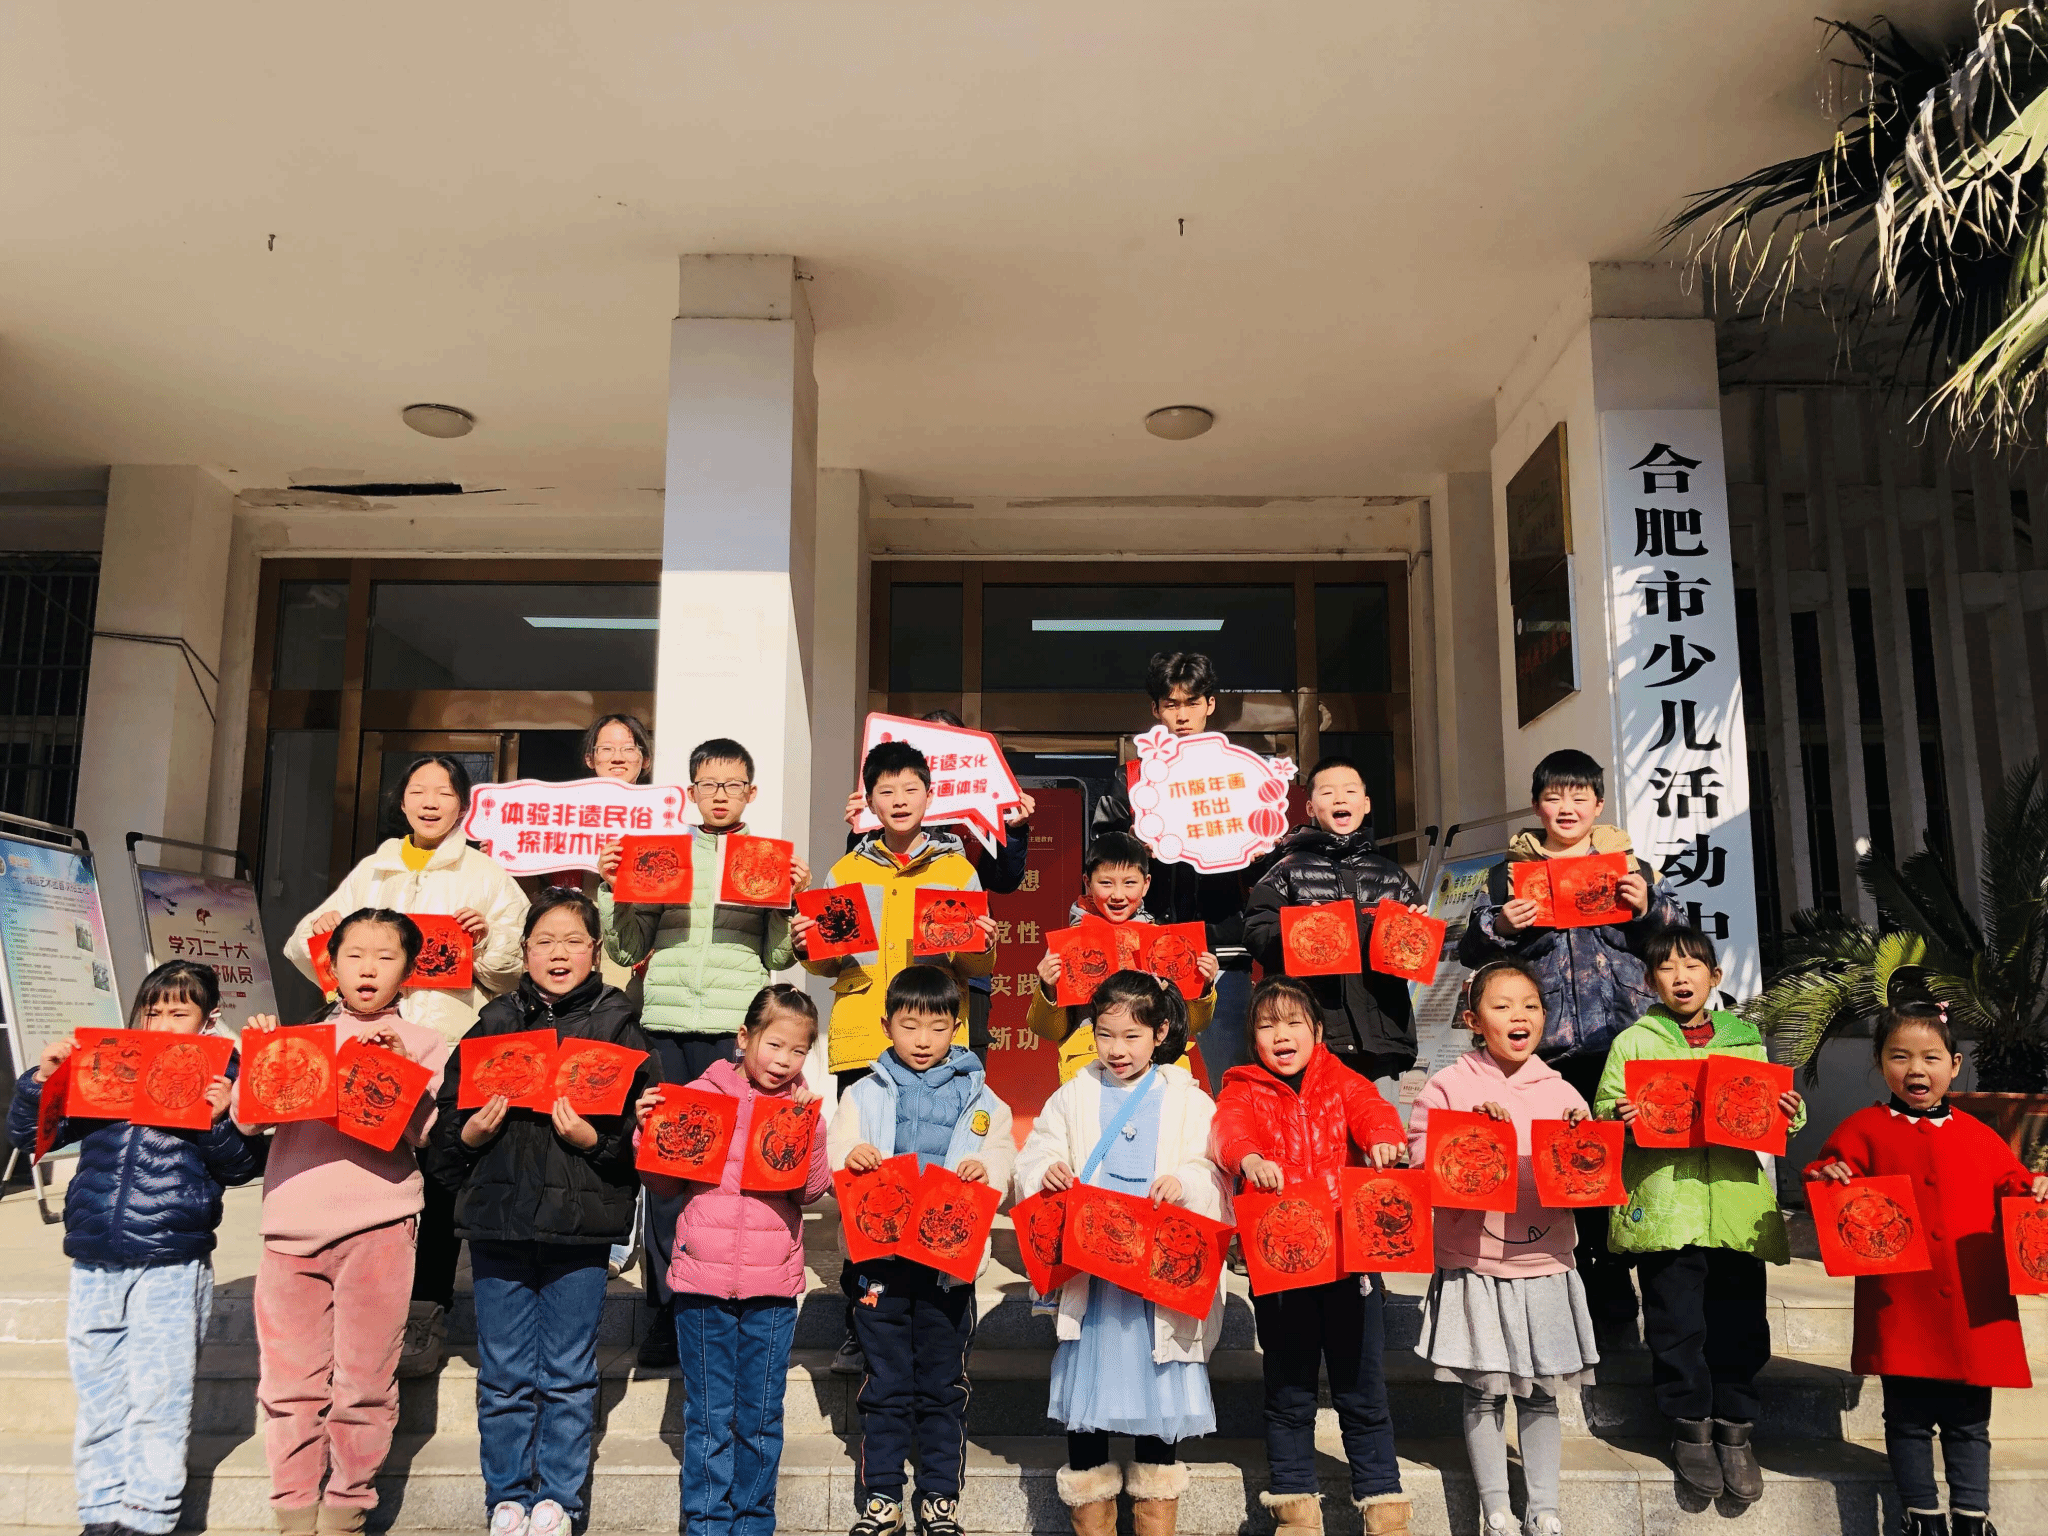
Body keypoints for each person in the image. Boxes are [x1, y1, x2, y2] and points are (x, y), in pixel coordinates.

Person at [283, 753, 529, 1376]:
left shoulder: (487, 876)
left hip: (444, 1041)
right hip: (367, 1043)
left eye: (443, 792)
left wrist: (486, 941)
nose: (429, 802)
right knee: (365, 1165)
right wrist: (331, 933)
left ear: (462, 804)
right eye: (418, 790)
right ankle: (356, 1300)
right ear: (401, 801)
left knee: (440, 1172)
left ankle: (426, 1307)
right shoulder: (374, 869)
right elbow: (311, 947)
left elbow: (513, 970)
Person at [428, 888, 657, 1536]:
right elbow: (444, 1135)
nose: (559, 954)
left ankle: (559, 1498)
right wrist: (469, 1135)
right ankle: (506, 1496)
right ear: (524, 951)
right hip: (498, 1221)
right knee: (502, 1372)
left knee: (568, 1372)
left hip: (580, 1231)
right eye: (545, 941)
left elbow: (650, 1138)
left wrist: (595, 1140)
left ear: (596, 951)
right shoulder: (494, 1020)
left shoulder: (619, 1025)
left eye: (573, 942)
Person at [6, 961, 259, 1536]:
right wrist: (43, 1080)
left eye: (179, 1012)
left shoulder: (227, 1072)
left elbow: (242, 1168)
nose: (163, 1023)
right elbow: (33, 1137)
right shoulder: (108, 1062)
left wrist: (220, 1119)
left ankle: (148, 1514)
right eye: (153, 1010)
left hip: (171, 1257)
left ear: (208, 1018)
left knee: (159, 1394)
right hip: (94, 1253)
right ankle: (100, 1512)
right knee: (99, 1390)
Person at [598, 735, 811, 1367]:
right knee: (669, 1169)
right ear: (691, 791)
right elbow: (625, 947)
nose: (720, 795)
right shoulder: (661, 853)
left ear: (751, 792)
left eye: (732, 785)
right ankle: (668, 1310)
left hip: (733, 1029)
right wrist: (613, 887)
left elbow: (777, 955)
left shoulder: (767, 858)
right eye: (709, 784)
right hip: (664, 1023)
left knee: (731, 1172)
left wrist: (791, 900)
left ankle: (726, 1301)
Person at [1455, 748, 1683, 1328]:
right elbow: (1468, 951)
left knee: (1632, 1176)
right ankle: (1597, 1309)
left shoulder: (1632, 868)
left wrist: (1649, 907)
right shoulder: (1508, 875)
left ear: (1598, 804)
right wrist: (1498, 924)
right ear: (1537, 806)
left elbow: (1679, 944)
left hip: (1626, 1046)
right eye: (1554, 796)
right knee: (1569, 1177)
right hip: (1549, 1055)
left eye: (1579, 796)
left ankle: (1647, 1305)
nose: (1567, 807)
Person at [241, 909, 451, 1536]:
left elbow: (427, 1137)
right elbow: (250, 1122)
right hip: (290, 1229)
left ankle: (346, 1509)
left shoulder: (426, 1044)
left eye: (386, 956)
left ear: (408, 972)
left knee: (364, 1384)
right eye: (354, 954)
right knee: (290, 1387)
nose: (368, 967)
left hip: (380, 1227)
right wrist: (262, 1056)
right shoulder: (297, 1040)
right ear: (330, 967)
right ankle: (292, 1511)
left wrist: (399, 1076)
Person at [1805, 996, 2046, 1536]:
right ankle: (1922, 1515)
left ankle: (1972, 1517)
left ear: (1954, 1065)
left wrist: (2034, 1188)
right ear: (1879, 1062)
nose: (1916, 1069)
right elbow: (1827, 1175)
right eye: (1900, 1056)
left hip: (1971, 1301)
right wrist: (1829, 1174)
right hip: (1903, 1302)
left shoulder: (1979, 1135)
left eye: (1931, 1057)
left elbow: (2014, 1187)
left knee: (1969, 1421)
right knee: (1907, 1418)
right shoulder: (1863, 1129)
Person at [801, 740, 998, 1376]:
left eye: (910, 789)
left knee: (941, 1182)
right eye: (885, 791)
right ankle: (863, 1322)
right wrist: (807, 945)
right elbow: (827, 962)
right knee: (868, 1187)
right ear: (869, 803)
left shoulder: (957, 871)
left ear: (929, 796)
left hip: (940, 1049)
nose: (899, 800)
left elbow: (976, 963)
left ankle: (942, 1313)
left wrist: (983, 943)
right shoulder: (845, 871)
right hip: (866, 1039)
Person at [1014, 971, 1230, 1536]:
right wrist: (1047, 1170)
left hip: (1155, 1279)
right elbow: (1035, 1151)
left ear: (1160, 1033)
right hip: (1096, 1278)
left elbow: (1212, 1167)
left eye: (1132, 1037)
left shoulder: (1188, 1099)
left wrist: (1185, 1181)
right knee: (1087, 1407)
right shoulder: (1074, 1093)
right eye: (1105, 1035)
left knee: (1160, 1400)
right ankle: (1093, 1522)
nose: (1117, 1050)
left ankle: (1155, 1522)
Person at [1594, 927, 1804, 1505]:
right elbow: (1604, 1108)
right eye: (1666, 968)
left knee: (1741, 1322)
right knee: (1675, 1322)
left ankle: (1736, 1429)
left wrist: (1790, 1110)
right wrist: (1620, 1114)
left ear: (1715, 977)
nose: (1680, 977)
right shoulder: (1634, 1042)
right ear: (1649, 981)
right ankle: (1689, 1426)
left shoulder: (1745, 1039)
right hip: (1668, 1207)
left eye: (1692, 966)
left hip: (1736, 1208)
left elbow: (1770, 1112)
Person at [1209, 976, 1412, 1536]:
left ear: (1318, 1032)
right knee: (1289, 1390)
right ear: (1252, 1039)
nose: (1281, 1035)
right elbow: (1228, 1131)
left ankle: (1383, 1503)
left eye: (1293, 1022)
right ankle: (1295, 1504)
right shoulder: (1241, 1088)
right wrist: (1249, 1158)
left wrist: (1383, 1138)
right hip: (1282, 1266)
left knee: (1362, 1390)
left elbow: (1373, 1111)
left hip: (1351, 1263)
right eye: (1267, 1025)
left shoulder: (1343, 1080)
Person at [1407, 960, 1598, 1536]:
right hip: (1476, 1263)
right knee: (1484, 1394)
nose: (1520, 1015)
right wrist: (1468, 1134)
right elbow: (1420, 1157)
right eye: (1503, 1005)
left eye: (1531, 1005)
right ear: (1473, 1021)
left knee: (1541, 1394)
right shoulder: (1449, 1085)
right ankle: (1496, 1509)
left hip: (1545, 1264)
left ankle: (1545, 1509)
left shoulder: (1561, 1089)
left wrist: (1584, 1136)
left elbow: (1586, 1174)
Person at [636, 983, 831, 1536]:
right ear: (744, 1038)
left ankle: (753, 1523)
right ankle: (706, 1523)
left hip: (772, 1286)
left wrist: (812, 1133)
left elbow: (810, 1192)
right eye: (774, 1045)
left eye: (799, 1050)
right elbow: (662, 1183)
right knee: (709, 1417)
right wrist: (648, 1130)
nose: (784, 1060)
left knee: (761, 1417)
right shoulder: (698, 1095)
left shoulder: (800, 1106)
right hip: (702, 1282)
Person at [827, 966, 1015, 1536]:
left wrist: (986, 1169)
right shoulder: (863, 1091)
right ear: (887, 1026)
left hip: (946, 1268)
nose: (923, 1040)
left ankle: (939, 1497)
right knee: (884, 1382)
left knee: (942, 1384)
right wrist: (851, 1154)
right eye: (910, 1027)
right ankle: (882, 1496)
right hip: (879, 1263)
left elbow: (1001, 1153)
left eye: (937, 1027)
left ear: (957, 1027)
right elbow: (838, 1145)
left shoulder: (983, 1098)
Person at [842, 708, 1036, 1066]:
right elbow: (857, 894)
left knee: (960, 1066)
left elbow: (1004, 879)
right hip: (887, 967)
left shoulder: (980, 808)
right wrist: (861, 830)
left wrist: (1015, 829)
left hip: (961, 966)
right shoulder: (888, 809)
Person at [1093, 652, 1255, 1079]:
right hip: (1148, 945)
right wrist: (1134, 844)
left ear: (1210, 704)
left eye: (1192, 703)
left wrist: (1260, 852)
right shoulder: (1131, 778)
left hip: (1221, 949)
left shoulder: (1238, 774)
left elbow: (1264, 870)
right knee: (1144, 1078)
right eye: (1171, 704)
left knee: (1233, 1079)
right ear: (1156, 709)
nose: (1182, 715)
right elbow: (1099, 858)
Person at [1244, 754, 1426, 1083]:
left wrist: (1415, 935)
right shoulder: (1285, 871)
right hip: (1314, 1033)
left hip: (1379, 1035)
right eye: (1327, 793)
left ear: (1366, 804)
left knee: (1371, 1116)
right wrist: (1300, 931)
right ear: (1311, 807)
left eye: (1350, 791)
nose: (1340, 799)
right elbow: (1257, 935)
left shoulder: (1392, 875)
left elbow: (1417, 957)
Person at [1028, 830, 1219, 1083]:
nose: (1118, 895)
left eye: (1129, 883)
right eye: (1106, 883)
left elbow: (1192, 1024)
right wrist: (1048, 989)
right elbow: (1047, 1029)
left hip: (1158, 1069)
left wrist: (1203, 987)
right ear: (1087, 882)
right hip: (1091, 1071)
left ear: (1146, 884)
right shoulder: (1068, 946)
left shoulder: (1166, 946)